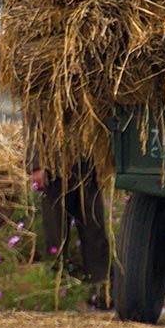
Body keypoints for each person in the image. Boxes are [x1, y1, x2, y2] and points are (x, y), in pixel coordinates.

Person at [26, 123, 112, 309]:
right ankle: (57, 293)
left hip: (88, 166)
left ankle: (100, 293)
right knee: (55, 238)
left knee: (95, 234)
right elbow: (33, 124)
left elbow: (101, 121)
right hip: (53, 168)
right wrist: (36, 165)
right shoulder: (42, 94)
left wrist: (103, 161)